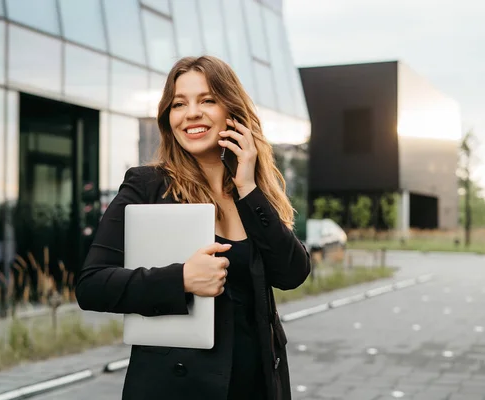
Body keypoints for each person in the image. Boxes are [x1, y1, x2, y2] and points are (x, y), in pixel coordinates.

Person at [76, 55, 311, 400]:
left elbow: (292, 273)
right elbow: (92, 284)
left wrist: (247, 187)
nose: (191, 114)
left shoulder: (252, 194)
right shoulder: (147, 187)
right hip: (179, 387)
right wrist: (182, 278)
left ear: (233, 111)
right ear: (168, 117)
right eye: (179, 104)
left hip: (256, 384)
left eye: (207, 100)